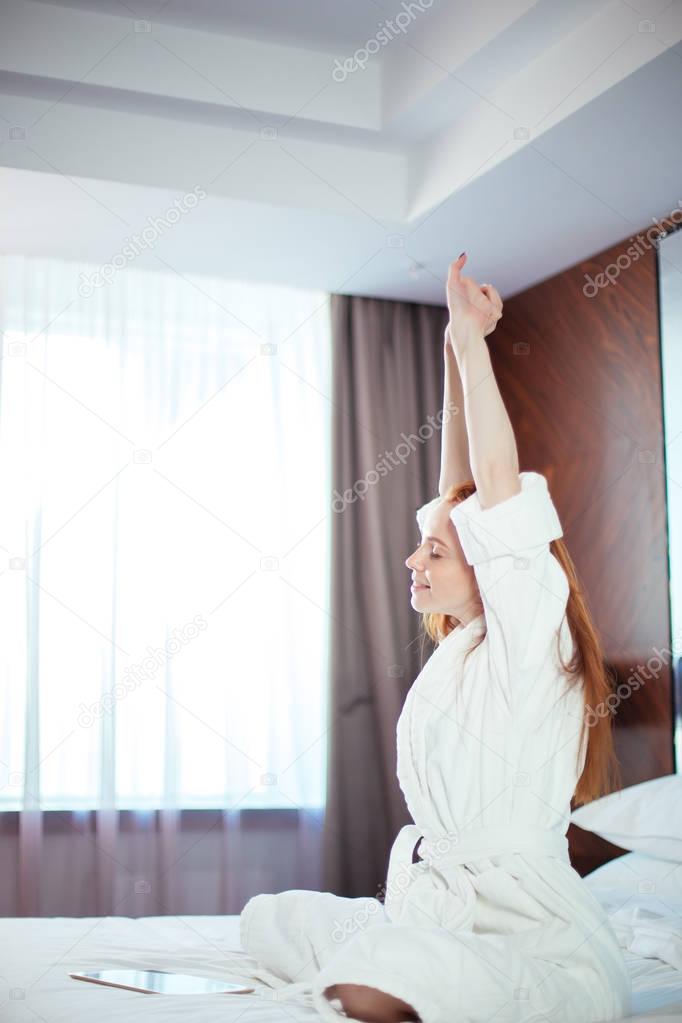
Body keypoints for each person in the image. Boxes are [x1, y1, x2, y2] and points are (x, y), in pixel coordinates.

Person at [239, 254, 632, 1023]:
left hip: (532, 935)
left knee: (383, 969)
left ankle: (410, 967)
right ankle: (400, 956)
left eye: (436, 550)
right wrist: (457, 348)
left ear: (493, 562)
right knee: (269, 917)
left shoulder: (528, 633)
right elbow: (460, 486)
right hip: (443, 909)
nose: (414, 556)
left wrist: (473, 345)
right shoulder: (472, 644)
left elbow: (490, 475)